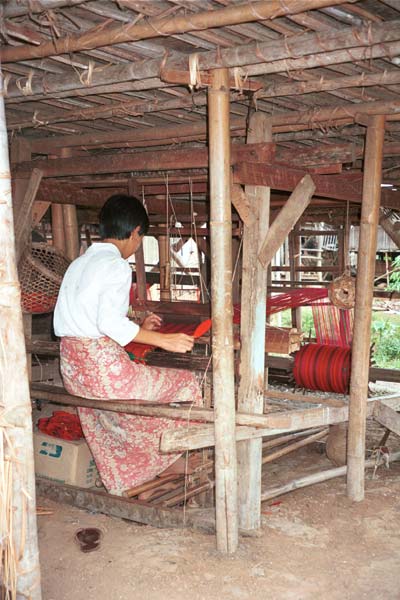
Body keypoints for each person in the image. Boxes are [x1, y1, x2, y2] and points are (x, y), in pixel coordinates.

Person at [54, 194, 202, 495]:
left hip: (74, 372)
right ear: (135, 232)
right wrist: (165, 340)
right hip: (104, 375)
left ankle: (131, 477)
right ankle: (170, 458)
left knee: (114, 416)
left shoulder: (79, 264)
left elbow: (91, 321)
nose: (137, 245)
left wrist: (138, 329)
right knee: (186, 384)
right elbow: (108, 323)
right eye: (140, 238)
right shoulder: (116, 266)